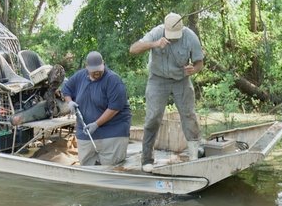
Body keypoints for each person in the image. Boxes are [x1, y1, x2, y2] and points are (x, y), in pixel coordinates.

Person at [129, 12, 204, 172]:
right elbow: (133, 49)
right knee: (153, 117)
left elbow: (199, 63)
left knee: (188, 115)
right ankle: (147, 159)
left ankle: (194, 154)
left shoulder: (190, 36)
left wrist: (193, 70)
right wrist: (155, 44)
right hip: (158, 79)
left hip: (181, 80)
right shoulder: (157, 32)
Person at [61, 51, 131, 166]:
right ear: (86, 67)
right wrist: (70, 102)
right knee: (87, 168)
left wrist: (96, 124)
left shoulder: (113, 80)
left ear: (103, 63)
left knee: (110, 168)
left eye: (99, 69)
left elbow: (114, 108)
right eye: (93, 70)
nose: (97, 72)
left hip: (113, 132)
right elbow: (66, 89)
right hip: (86, 132)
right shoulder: (79, 76)